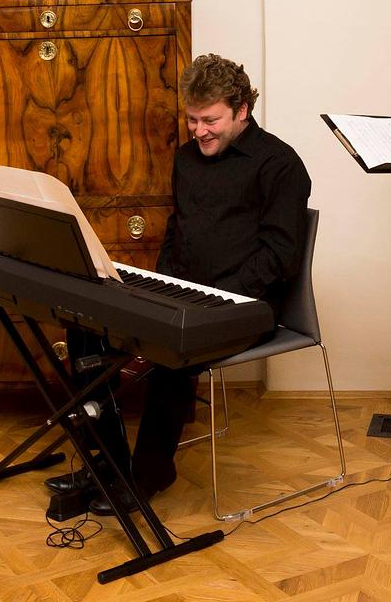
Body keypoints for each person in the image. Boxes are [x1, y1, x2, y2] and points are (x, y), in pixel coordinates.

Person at [47, 53, 312, 515]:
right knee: (86, 322)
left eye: (210, 120)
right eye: (192, 119)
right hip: (188, 294)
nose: (198, 131)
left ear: (242, 110)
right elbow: (178, 230)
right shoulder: (187, 159)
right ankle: (106, 461)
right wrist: (158, 287)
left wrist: (215, 300)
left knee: (172, 346)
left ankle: (149, 474)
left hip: (249, 305)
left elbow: (279, 257)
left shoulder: (280, 164)